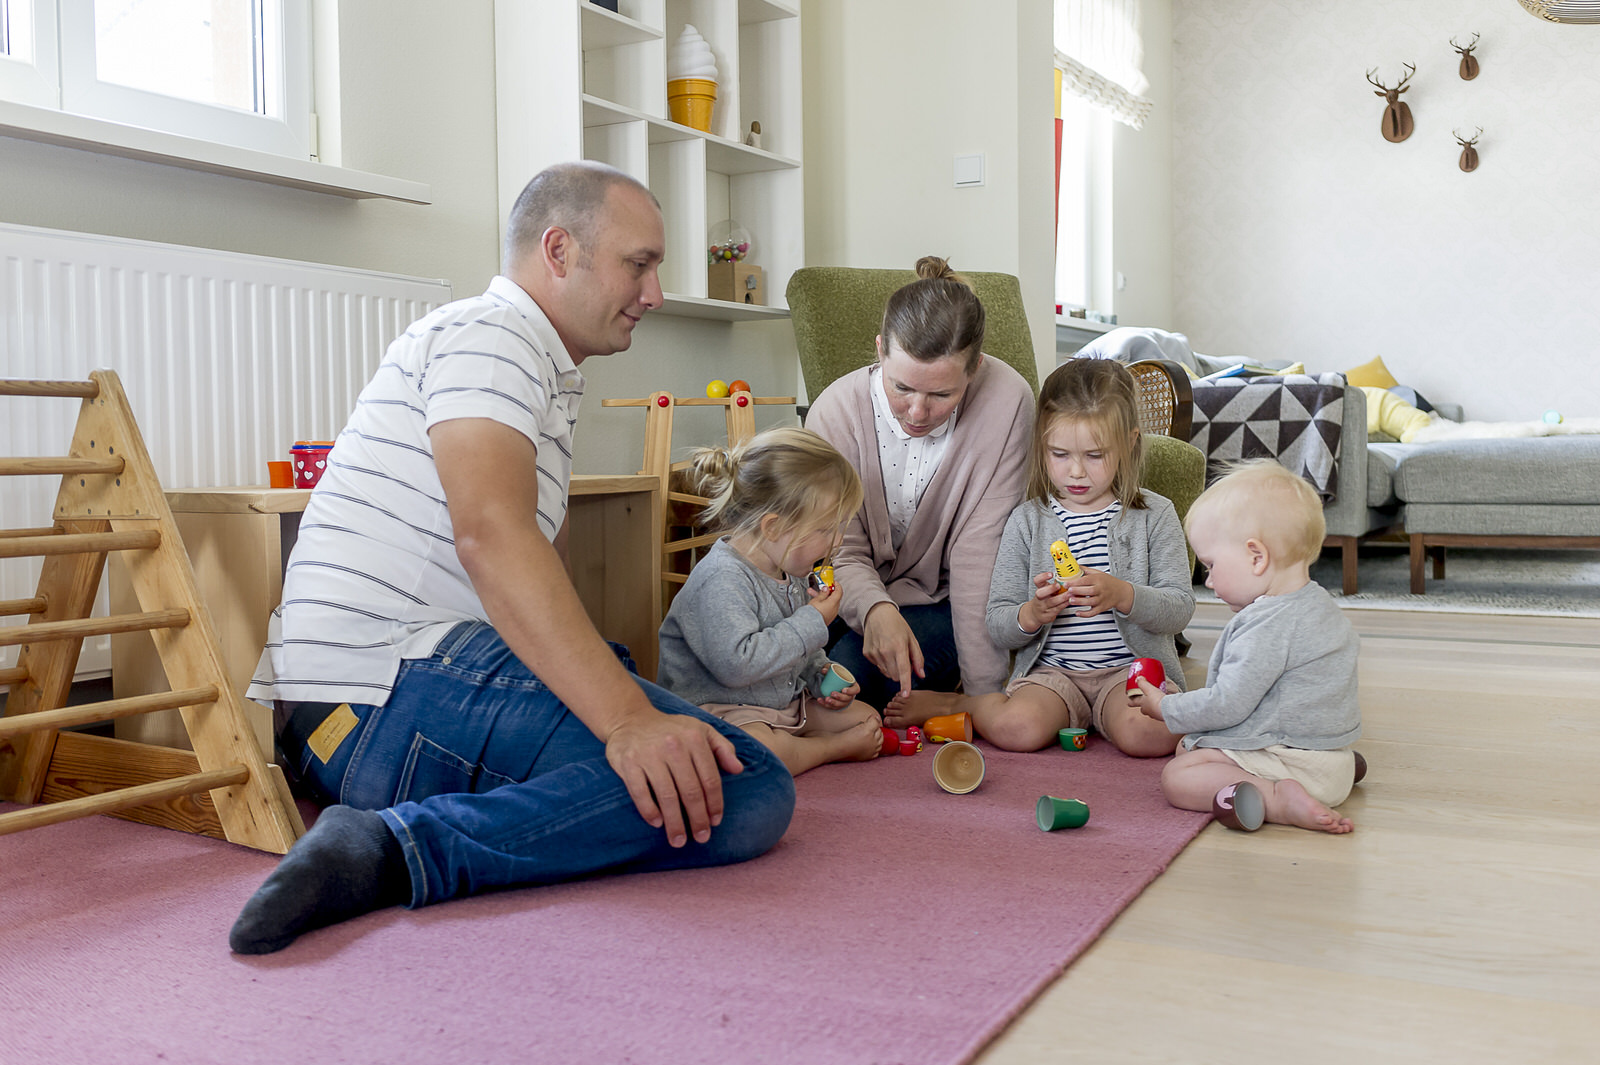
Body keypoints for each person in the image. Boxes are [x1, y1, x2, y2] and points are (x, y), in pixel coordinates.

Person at [228, 161, 796, 955]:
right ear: (558, 250)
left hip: (348, 716)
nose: (656, 292)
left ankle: (388, 830)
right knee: (748, 787)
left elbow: (532, 578)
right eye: (640, 263)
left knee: (639, 699)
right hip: (383, 690)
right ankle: (391, 853)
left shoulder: (526, 365)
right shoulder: (492, 338)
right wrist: (630, 720)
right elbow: (492, 536)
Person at [890, 358, 1192, 756]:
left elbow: (1179, 609)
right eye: (1060, 454)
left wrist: (1122, 594)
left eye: (1096, 455)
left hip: (1129, 672)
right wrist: (1032, 614)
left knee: (1151, 736)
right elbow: (999, 623)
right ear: (1042, 447)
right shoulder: (1027, 521)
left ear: (1130, 442)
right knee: (1019, 729)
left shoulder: (1154, 515)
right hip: (1052, 676)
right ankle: (960, 703)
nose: (1076, 472)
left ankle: (1112, 716)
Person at [806, 257, 1035, 714]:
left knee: (850, 676)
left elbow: (980, 554)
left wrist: (983, 698)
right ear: (879, 351)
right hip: (842, 590)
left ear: (975, 369)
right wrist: (875, 610)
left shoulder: (1008, 402)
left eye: (941, 395)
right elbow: (835, 551)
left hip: (945, 605)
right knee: (806, 676)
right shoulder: (834, 413)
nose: (916, 412)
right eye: (902, 387)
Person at [1133, 459, 1361, 834]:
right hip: (1334, 759)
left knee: (1178, 774)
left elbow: (1229, 705)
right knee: (1191, 744)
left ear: (1256, 557)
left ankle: (1275, 797)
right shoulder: (1319, 607)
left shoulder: (1266, 627)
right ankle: (1327, 777)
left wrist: (1166, 707)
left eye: (1210, 565)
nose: (1207, 581)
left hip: (1296, 765)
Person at [657, 426, 885, 776]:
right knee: (760, 753)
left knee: (867, 718)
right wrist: (813, 621)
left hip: (780, 704)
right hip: (720, 711)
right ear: (774, 528)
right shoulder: (721, 579)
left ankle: (800, 742)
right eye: (826, 529)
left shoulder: (788, 569)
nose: (838, 541)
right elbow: (738, 666)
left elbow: (796, 650)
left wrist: (820, 674)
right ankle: (827, 749)